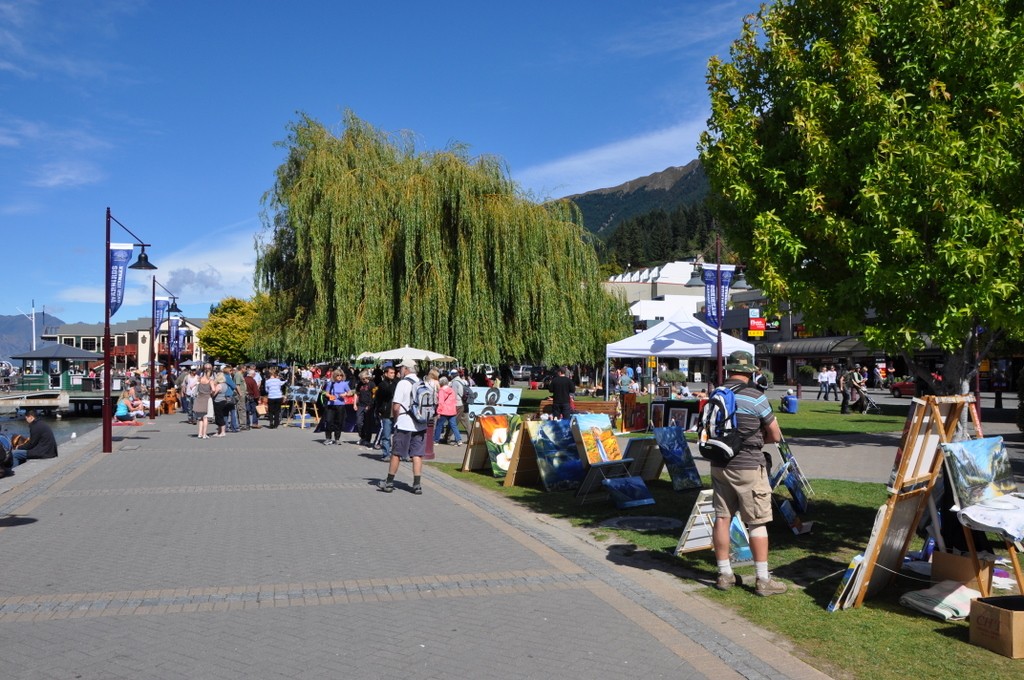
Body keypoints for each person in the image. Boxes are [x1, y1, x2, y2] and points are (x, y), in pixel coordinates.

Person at [711, 351, 787, 597]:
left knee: (722, 517)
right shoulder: (756, 397)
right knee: (757, 521)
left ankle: (724, 574)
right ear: (751, 372)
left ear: (729, 370)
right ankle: (763, 579)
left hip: (720, 463)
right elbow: (775, 435)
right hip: (748, 466)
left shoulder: (718, 393)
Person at [380, 357, 427, 495]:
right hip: (420, 424)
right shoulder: (421, 382)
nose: (399, 370)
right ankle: (417, 484)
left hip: (405, 423)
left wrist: (396, 420)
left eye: (401, 368)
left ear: (406, 369)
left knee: (396, 453)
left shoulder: (403, 383)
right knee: (417, 454)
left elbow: (396, 406)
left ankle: (389, 482)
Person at [373, 363, 397, 459]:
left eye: (394, 373)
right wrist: (379, 410)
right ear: (386, 374)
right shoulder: (382, 385)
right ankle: (386, 453)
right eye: (391, 373)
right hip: (386, 412)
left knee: (396, 435)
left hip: (395, 412)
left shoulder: (395, 383)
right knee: (386, 435)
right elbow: (385, 394)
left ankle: (395, 453)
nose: (393, 375)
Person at [322, 369, 350, 445]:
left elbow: (349, 392)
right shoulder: (330, 383)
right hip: (331, 405)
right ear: (334, 376)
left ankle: (337, 438)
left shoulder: (344, 384)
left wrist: (344, 395)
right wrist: (330, 396)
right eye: (338, 375)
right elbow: (326, 393)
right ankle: (328, 438)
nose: (339, 377)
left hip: (340, 405)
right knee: (328, 421)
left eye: (341, 375)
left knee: (339, 422)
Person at [433, 376, 462, 446]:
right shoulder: (451, 390)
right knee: (454, 425)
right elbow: (453, 400)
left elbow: (441, 402)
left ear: (441, 383)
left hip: (444, 411)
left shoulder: (441, 390)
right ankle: (459, 440)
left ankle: (436, 440)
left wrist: (439, 412)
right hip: (452, 410)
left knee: (439, 425)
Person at [194, 368, 213, 439]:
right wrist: (211, 392)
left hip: (200, 398)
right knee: (206, 418)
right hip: (207, 398)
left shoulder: (199, 380)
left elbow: (195, 388)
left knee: (200, 418)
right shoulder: (210, 381)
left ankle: (199, 434)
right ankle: (204, 434)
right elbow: (213, 389)